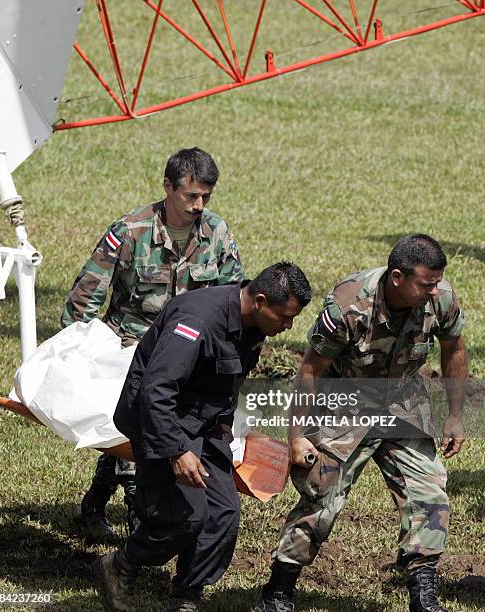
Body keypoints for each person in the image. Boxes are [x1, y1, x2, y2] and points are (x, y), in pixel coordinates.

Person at [254, 235, 467, 612]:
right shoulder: (349, 305)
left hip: (402, 398)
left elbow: (454, 348)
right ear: (398, 277)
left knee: (430, 492)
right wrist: (298, 436)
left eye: (437, 283)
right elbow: (310, 370)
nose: (434, 291)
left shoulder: (441, 297)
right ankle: (279, 589)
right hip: (344, 402)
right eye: (425, 284)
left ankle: (423, 592)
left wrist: (454, 415)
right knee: (322, 496)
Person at [94, 262, 312, 612]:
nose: (287, 326)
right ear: (259, 300)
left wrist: (224, 436)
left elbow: (225, 386)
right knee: (184, 516)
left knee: (223, 515)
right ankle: (121, 565)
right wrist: (178, 451)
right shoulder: (197, 320)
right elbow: (157, 390)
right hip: (158, 421)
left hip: (202, 424)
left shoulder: (253, 326)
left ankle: (186, 595)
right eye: (285, 317)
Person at [61, 147, 244, 540]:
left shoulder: (218, 234)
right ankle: (136, 509)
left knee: (153, 430)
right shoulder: (130, 231)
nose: (198, 205)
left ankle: (96, 502)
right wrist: (75, 355)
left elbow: (233, 299)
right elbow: (85, 297)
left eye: (206, 197)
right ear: (167, 186)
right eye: (190, 196)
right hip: (128, 349)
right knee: (139, 426)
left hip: (189, 356)